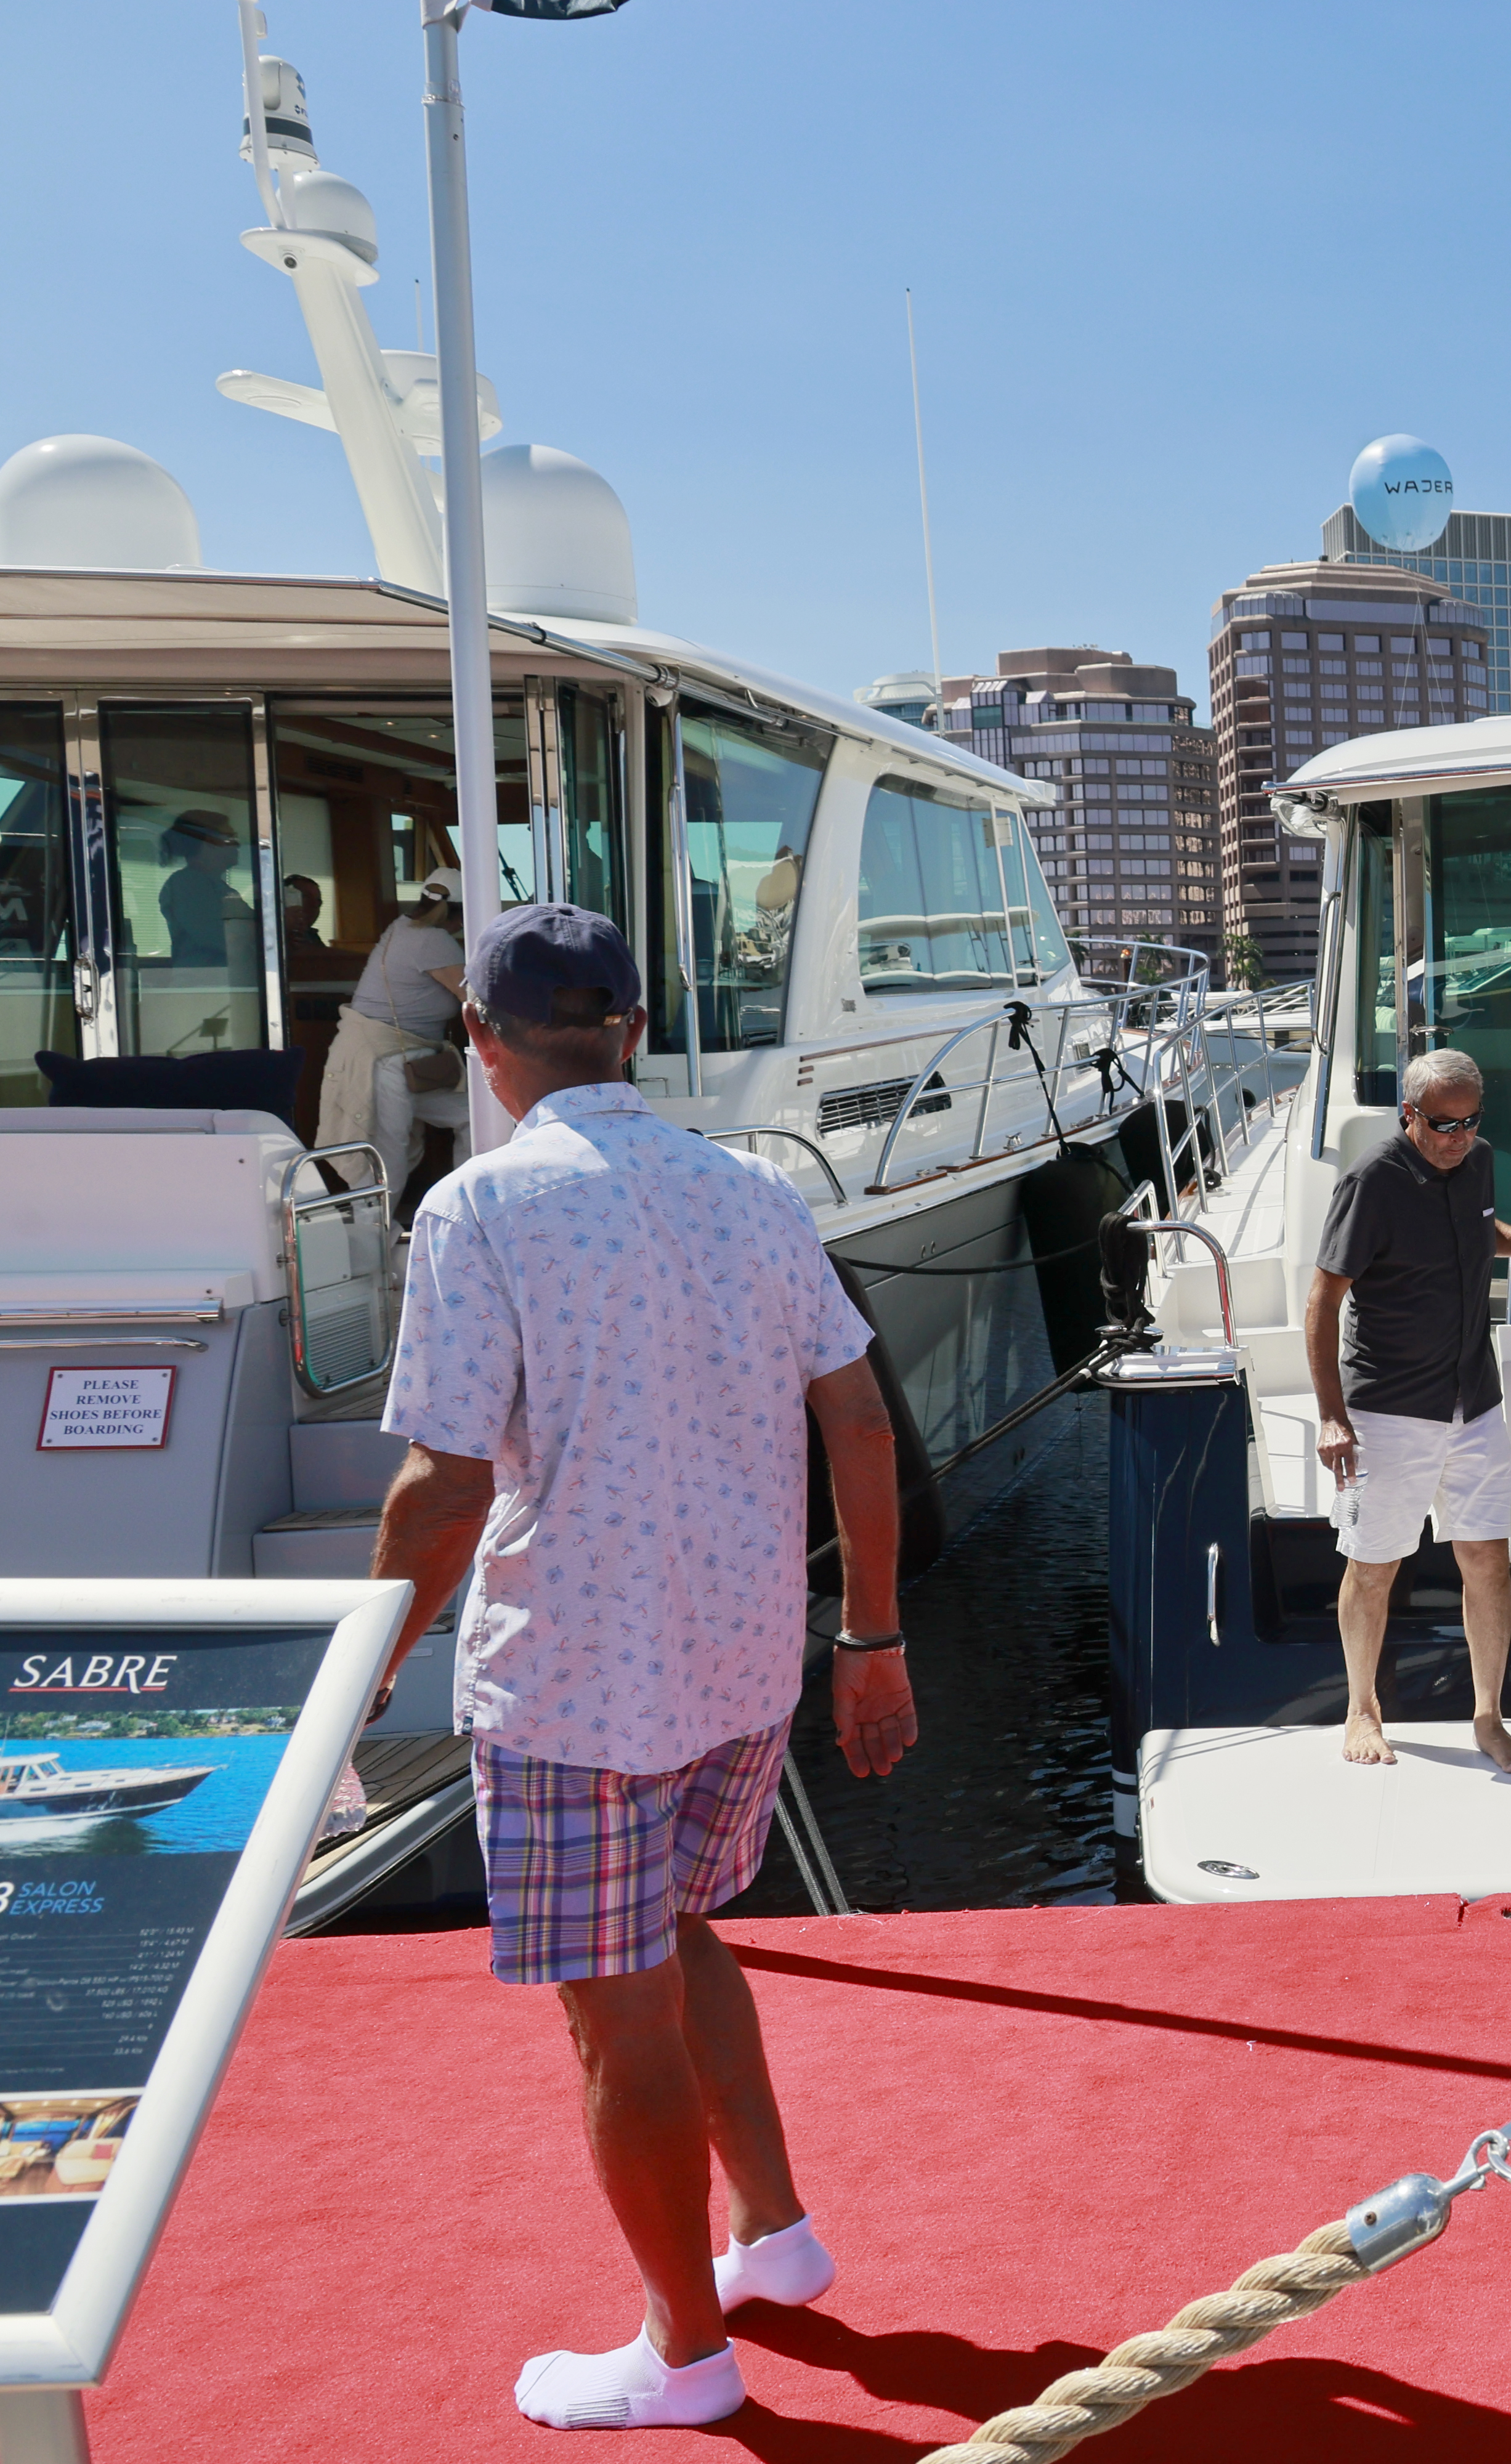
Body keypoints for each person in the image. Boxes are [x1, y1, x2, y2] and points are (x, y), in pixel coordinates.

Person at [365, 904, 919, 2430]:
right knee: (673, 1940)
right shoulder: (750, 1191)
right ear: (630, 1027)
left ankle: (683, 2354)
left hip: (575, 1682)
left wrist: (358, 1674)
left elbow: (447, 1484)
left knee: (617, 2013)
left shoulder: (479, 1209)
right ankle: (778, 2236)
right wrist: (869, 1636)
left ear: (484, 1042)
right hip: (743, 1660)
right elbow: (860, 1423)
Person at [1308, 1047, 1511, 1773]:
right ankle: (1361, 1709)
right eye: (1444, 1124)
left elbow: (1480, 1234)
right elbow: (1323, 1301)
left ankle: (1488, 1716)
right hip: (1387, 1407)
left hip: (1473, 1401)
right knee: (1375, 1564)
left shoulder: (1474, 1164)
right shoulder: (1371, 1182)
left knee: (1485, 1559)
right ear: (1409, 1115)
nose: (1459, 1137)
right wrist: (1331, 1415)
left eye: (1471, 1122)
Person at [315, 866, 467, 1187]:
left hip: (407, 1063)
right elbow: (475, 996)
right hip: (388, 1062)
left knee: (472, 1117)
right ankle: (372, 1236)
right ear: (459, 914)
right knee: (387, 1159)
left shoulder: (401, 927)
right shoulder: (432, 940)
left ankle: (464, 1205)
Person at [155, 809, 251, 971]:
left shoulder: (220, 887)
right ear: (210, 843)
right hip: (206, 985)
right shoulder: (187, 884)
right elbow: (221, 938)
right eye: (231, 838)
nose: (238, 844)